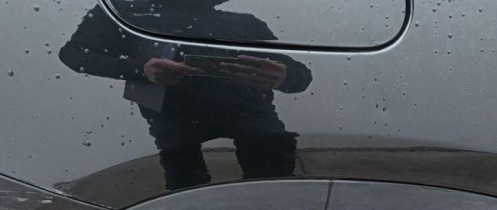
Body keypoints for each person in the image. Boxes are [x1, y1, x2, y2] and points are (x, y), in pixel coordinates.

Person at [60, 1, 313, 190]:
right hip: (178, 128)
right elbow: (74, 54)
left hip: (243, 128)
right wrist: (140, 70)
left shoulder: (246, 23)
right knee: (188, 191)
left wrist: (285, 76)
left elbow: (300, 74)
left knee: (269, 188)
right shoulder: (123, 12)